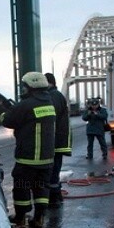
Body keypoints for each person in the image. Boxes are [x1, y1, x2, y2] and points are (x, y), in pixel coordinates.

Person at [0, 71, 56, 228]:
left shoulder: (26, 104)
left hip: (28, 157)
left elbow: (8, 121)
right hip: (46, 157)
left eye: (24, 86)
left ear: (30, 86)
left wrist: (4, 113)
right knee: (41, 188)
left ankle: (20, 219)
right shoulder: (49, 102)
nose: (22, 89)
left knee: (22, 187)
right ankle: (39, 218)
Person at [44, 73, 71, 207]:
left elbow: (49, 118)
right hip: (57, 140)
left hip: (55, 141)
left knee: (52, 170)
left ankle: (53, 199)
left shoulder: (53, 96)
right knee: (54, 169)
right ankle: (56, 196)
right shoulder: (56, 95)